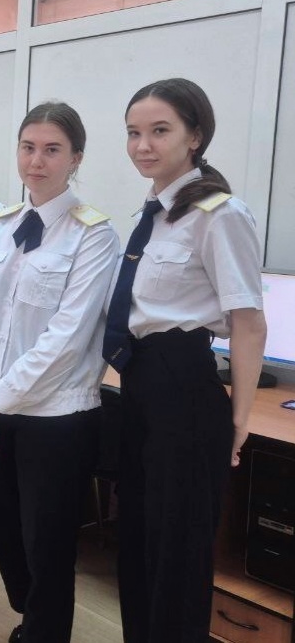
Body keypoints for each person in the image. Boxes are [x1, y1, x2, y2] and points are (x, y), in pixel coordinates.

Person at [105, 78, 266, 643]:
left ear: (195, 136)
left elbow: (248, 323)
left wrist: (240, 419)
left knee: (177, 550)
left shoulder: (220, 214)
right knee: (137, 539)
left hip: (185, 390)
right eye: (133, 133)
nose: (143, 145)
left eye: (159, 131)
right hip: (140, 384)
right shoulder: (152, 214)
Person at [0, 103, 120, 643]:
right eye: (28, 148)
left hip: (56, 418)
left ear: (76, 158)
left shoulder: (93, 235)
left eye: (52, 150)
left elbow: (67, 339)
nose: (37, 161)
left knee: (47, 543)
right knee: (0, 529)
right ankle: (31, 618)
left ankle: (44, 632)